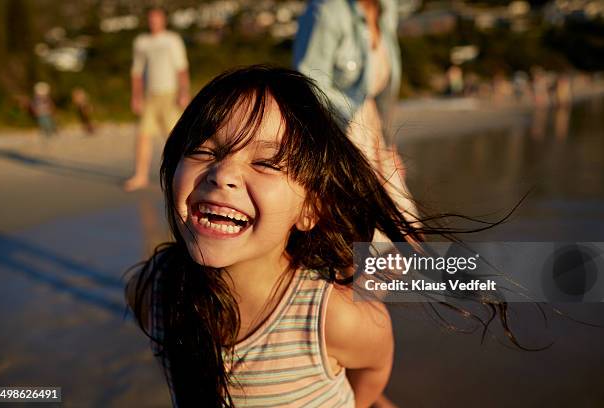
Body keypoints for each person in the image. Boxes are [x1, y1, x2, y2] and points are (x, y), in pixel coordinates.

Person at [125, 66, 518, 408]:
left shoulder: (333, 318)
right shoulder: (153, 291)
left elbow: (373, 368)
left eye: (265, 162)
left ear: (310, 209)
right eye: (204, 150)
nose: (222, 172)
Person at [293, 0, 419, 230]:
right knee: (363, 230)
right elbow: (308, 82)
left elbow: (383, 90)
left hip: (373, 127)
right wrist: (353, 128)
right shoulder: (325, 11)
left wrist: (389, 145)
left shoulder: (386, 8)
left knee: (405, 224)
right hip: (339, 128)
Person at [124, 7, 190, 191]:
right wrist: (136, 97)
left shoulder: (172, 40)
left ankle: (183, 175)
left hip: (170, 94)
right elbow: (136, 72)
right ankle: (140, 176)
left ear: (163, 20)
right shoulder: (141, 42)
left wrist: (184, 92)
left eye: (157, 18)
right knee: (143, 135)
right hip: (149, 95)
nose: (154, 22)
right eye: (151, 18)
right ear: (148, 20)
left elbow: (182, 68)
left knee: (174, 137)